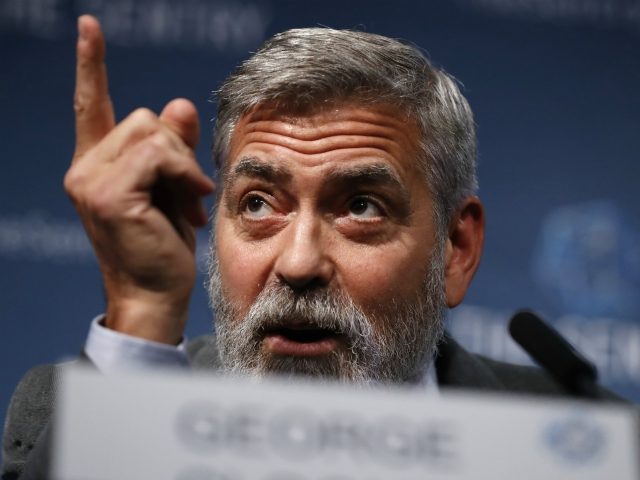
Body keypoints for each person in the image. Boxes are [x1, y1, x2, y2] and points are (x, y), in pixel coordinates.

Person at [2, 15, 621, 480]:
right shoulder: (76, 413)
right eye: (258, 203)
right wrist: (141, 309)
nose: (298, 264)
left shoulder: (576, 446)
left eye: (360, 207)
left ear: (456, 249)